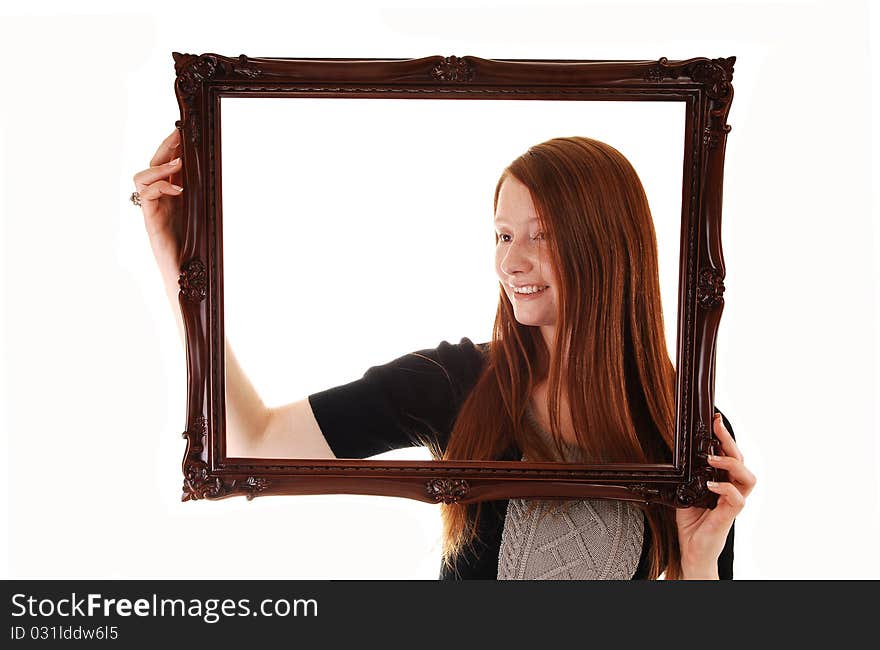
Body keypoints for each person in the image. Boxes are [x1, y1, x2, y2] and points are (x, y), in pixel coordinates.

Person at [133, 128, 756, 580]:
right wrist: (177, 262)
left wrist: (699, 564)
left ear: (609, 248)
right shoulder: (454, 382)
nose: (512, 263)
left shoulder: (691, 433)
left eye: (543, 236)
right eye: (504, 235)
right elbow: (256, 444)